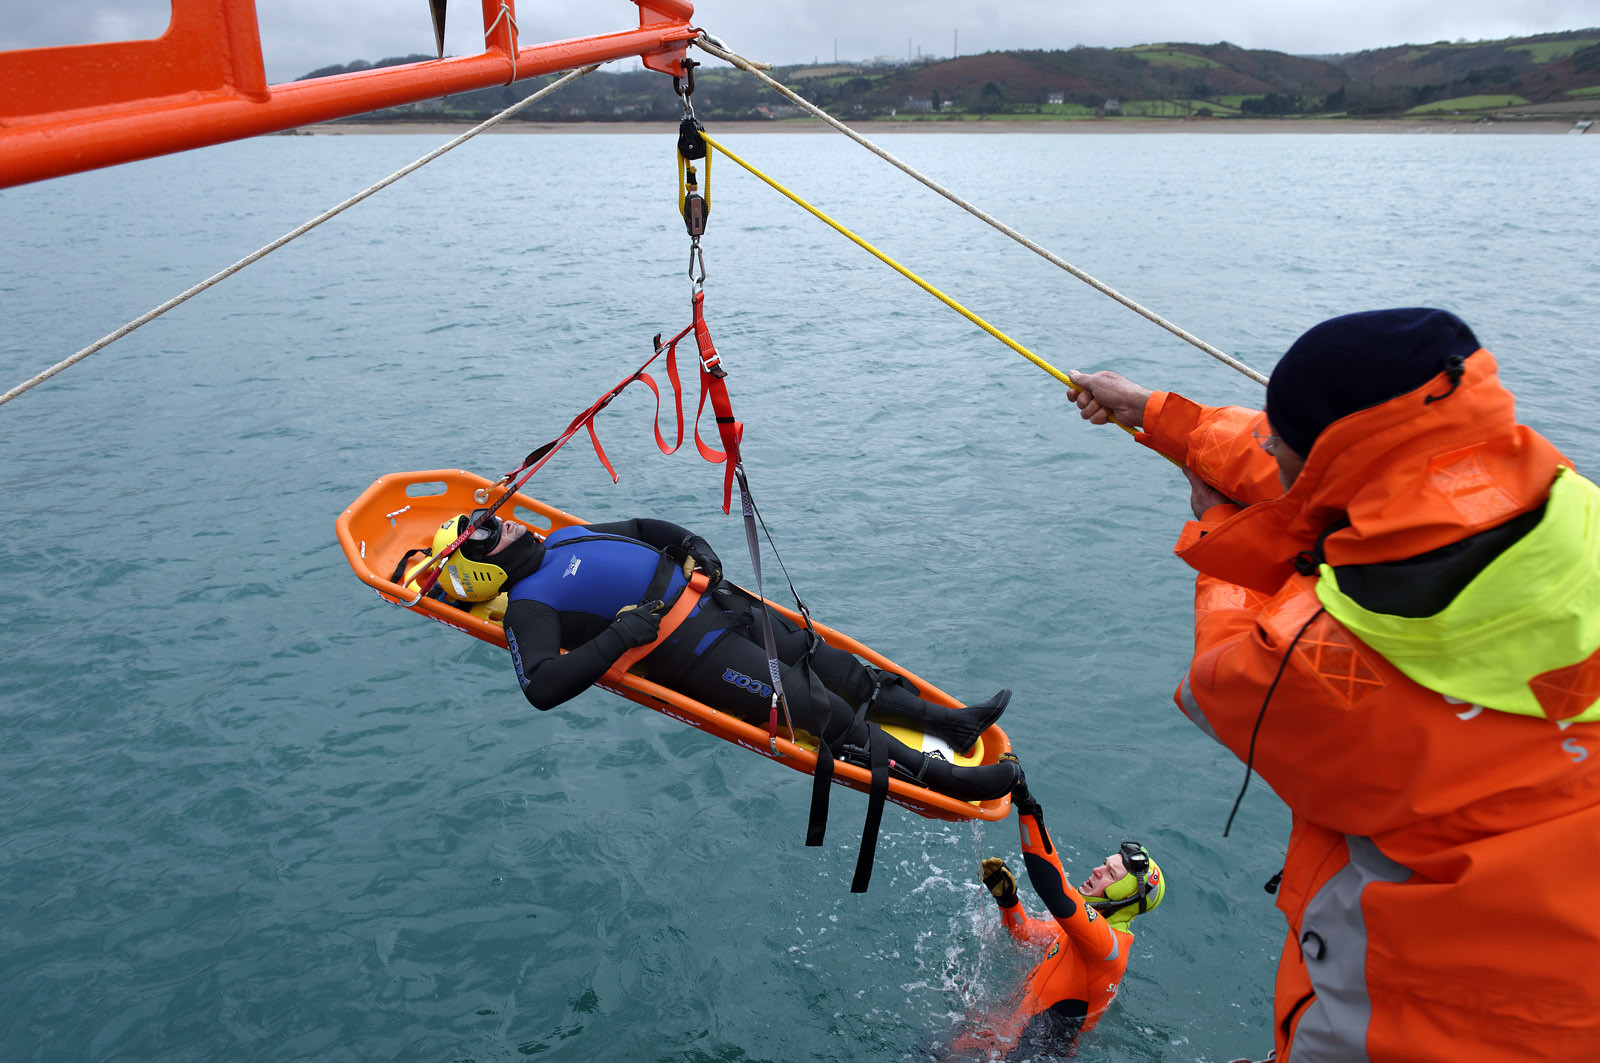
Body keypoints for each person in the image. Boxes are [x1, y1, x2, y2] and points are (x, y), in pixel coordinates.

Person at [1067, 308, 1600, 1061]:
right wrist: (1159, 415)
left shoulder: (1313, 659)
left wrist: (1216, 524)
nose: (1273, 460)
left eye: (1281, 449)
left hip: (1440, 1017)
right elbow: (1326, 466)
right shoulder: (1565, 501)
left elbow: (1218, 684)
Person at [418, 510, 1021, 802]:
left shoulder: (564, 538)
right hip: (695, 655)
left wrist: (692, 545)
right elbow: (541, 686)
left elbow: (640, 526)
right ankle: (953, 782)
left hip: (724, 608)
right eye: (483, 533)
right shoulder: (529, 606)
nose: (499, 524)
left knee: (839, 669)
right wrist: (619, 639)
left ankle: (952, 722)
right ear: (479, 567)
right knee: (823, 714)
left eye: (488, 518)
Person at [941, 759, 1165, 1060]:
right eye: (1105, 864)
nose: (1098, 870)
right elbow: (1024, 934)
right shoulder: (1081, 930)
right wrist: (1009, 901)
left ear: (1125, 900)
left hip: (1036, 1052)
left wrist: (1028, 806)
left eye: (1110, 875)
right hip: (1007, 1028)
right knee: (932, 1050)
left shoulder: (1108, 947)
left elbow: (1055, 891)